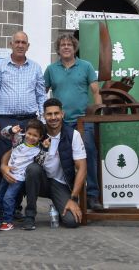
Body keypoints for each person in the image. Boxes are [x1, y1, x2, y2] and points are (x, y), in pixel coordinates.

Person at [44, 33, 102, 211]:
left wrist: (97, 114)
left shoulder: (86, 66)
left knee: (89, 154)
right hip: (59, 123)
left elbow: (96, 91)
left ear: (75, 47)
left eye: (69, 44)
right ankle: (68, 195)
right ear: (58, 49)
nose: (66, 47)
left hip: (83, 121)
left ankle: (92, 195)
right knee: (62, 158)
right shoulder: (51, 69)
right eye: (62, 45)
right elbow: (41, 92)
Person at [0, 31, 46, 202]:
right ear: (11, 44)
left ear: (28, 46)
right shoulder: (0, 66)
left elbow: (41, 96)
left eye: (23, 42)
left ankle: (16, 206)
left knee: (23, 164)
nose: (20, 45)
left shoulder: (36, 68)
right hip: (5, 121)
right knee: (2, 162)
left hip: (29, 122)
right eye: (17, 42)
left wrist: (42, 122)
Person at [21, 98, 86, 230]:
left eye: (56, 113)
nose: (53, 117)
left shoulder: (73, 135)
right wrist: (4, 165)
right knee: (33, 169)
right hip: (40, 180)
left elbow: (82, 168)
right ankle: (29, 215)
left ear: (62, 114)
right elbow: (16, 149)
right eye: (49, 114)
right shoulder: (37, 133)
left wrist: (73, 198)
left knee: (72, 221)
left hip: (61, 184)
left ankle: (59, 204)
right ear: (44, 116)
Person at [0, 120, 49, 230]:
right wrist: (11, 130)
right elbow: (3, 133)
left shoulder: (39, 148)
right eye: (29, 133)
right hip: (8, 173)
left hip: (19, 178)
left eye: (35, 135)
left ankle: (7, 221)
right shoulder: (19, 139)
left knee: (8, 197)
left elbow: (40, 162)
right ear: (25, 132)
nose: (31, 137)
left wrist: (45, 148)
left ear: (40, 137)